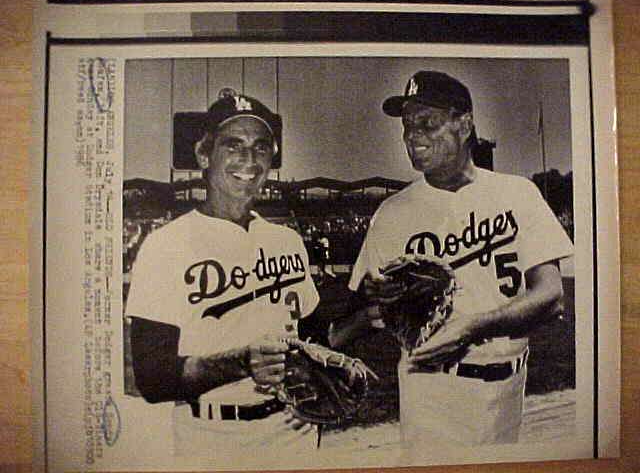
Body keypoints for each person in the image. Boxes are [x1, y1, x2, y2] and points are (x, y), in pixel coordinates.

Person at [330, 71, 573, 452]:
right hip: (433, 389)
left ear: (465, 124)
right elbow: (360, 311)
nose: (413, 136)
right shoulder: (392, 213)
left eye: (427, 123)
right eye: (408, 126)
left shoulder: (518, 193)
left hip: (511, 385)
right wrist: (378, 299)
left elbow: (552, 296)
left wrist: (472, 327)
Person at [126, 90, 320, 460]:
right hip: (213, 438)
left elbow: (312, 340)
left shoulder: (287, 241)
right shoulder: (166, 244)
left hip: (295, 435)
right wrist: (242, 362)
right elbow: (152, 379)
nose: (249, 160)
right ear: (204, 154)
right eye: (233, 146)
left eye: (261, 148)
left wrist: (367, 314)